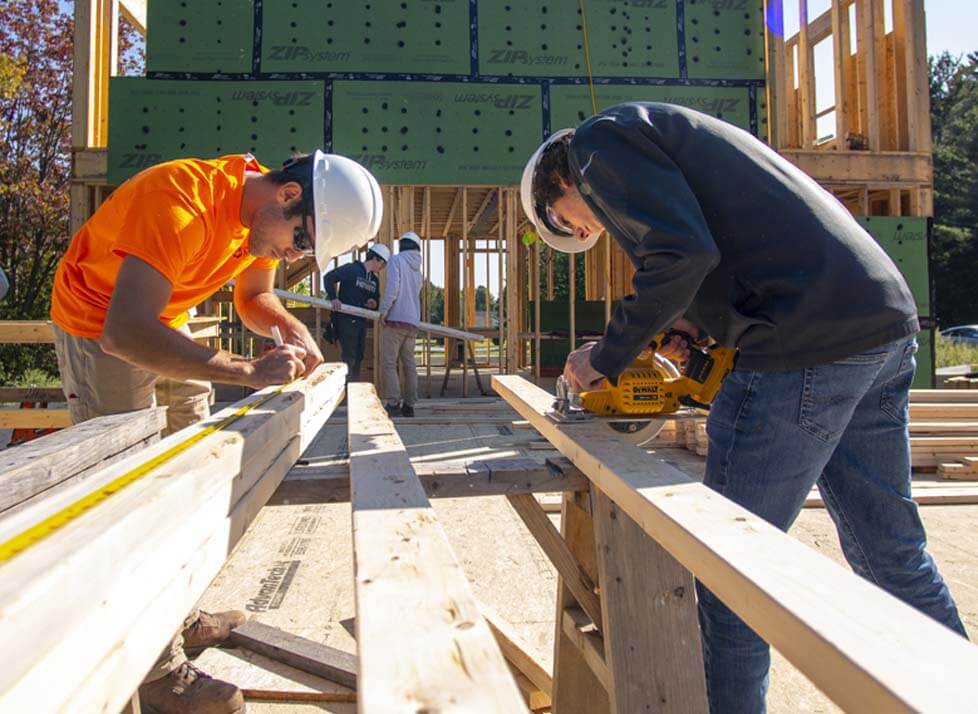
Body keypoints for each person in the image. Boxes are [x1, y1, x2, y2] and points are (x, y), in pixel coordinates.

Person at [520, 102, 968, 714]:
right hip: (878, 323)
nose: (578, 232)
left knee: (729, 571)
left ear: (558, 180)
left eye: (563, 222)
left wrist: (608, 354)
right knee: (892, 555)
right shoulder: (664, 141)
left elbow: (680, 254)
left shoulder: (598, 143)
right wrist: (691, 325)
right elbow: (716, 254)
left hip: (804, 342)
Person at [50, 150, 382, 714]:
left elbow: (254, 298)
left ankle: (177, 615)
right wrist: (247, 371)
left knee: (191, 475)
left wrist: (290, 327)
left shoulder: (257, 221)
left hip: (162, 321)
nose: (292, 255)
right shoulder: (180, 201)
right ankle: (156, 677)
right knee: (132, 503)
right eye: (299, 243)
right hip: (101, 326)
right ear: (287, 195)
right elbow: (125, 331)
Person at [322, 244, 389, 381]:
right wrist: (334, 298)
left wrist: (374, 304)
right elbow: (328, 277)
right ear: (375, 259)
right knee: (349, 358)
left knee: (358, 357)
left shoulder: (374, 280)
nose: (381, 268)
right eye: (382, 264)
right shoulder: (352, 269)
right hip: (346, 320)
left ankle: (354, 390)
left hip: (361, 322)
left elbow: (376, 300)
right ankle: (346, 392)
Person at [378, 231, 423, 417]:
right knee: (409, 365)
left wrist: (383, 310)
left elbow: (393, 287)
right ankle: (410, 405)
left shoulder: (396, 260)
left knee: (389, 363)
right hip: (412, 322)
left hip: (396, 320)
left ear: (401, 245)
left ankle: (394, 403)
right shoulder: (418, 270)